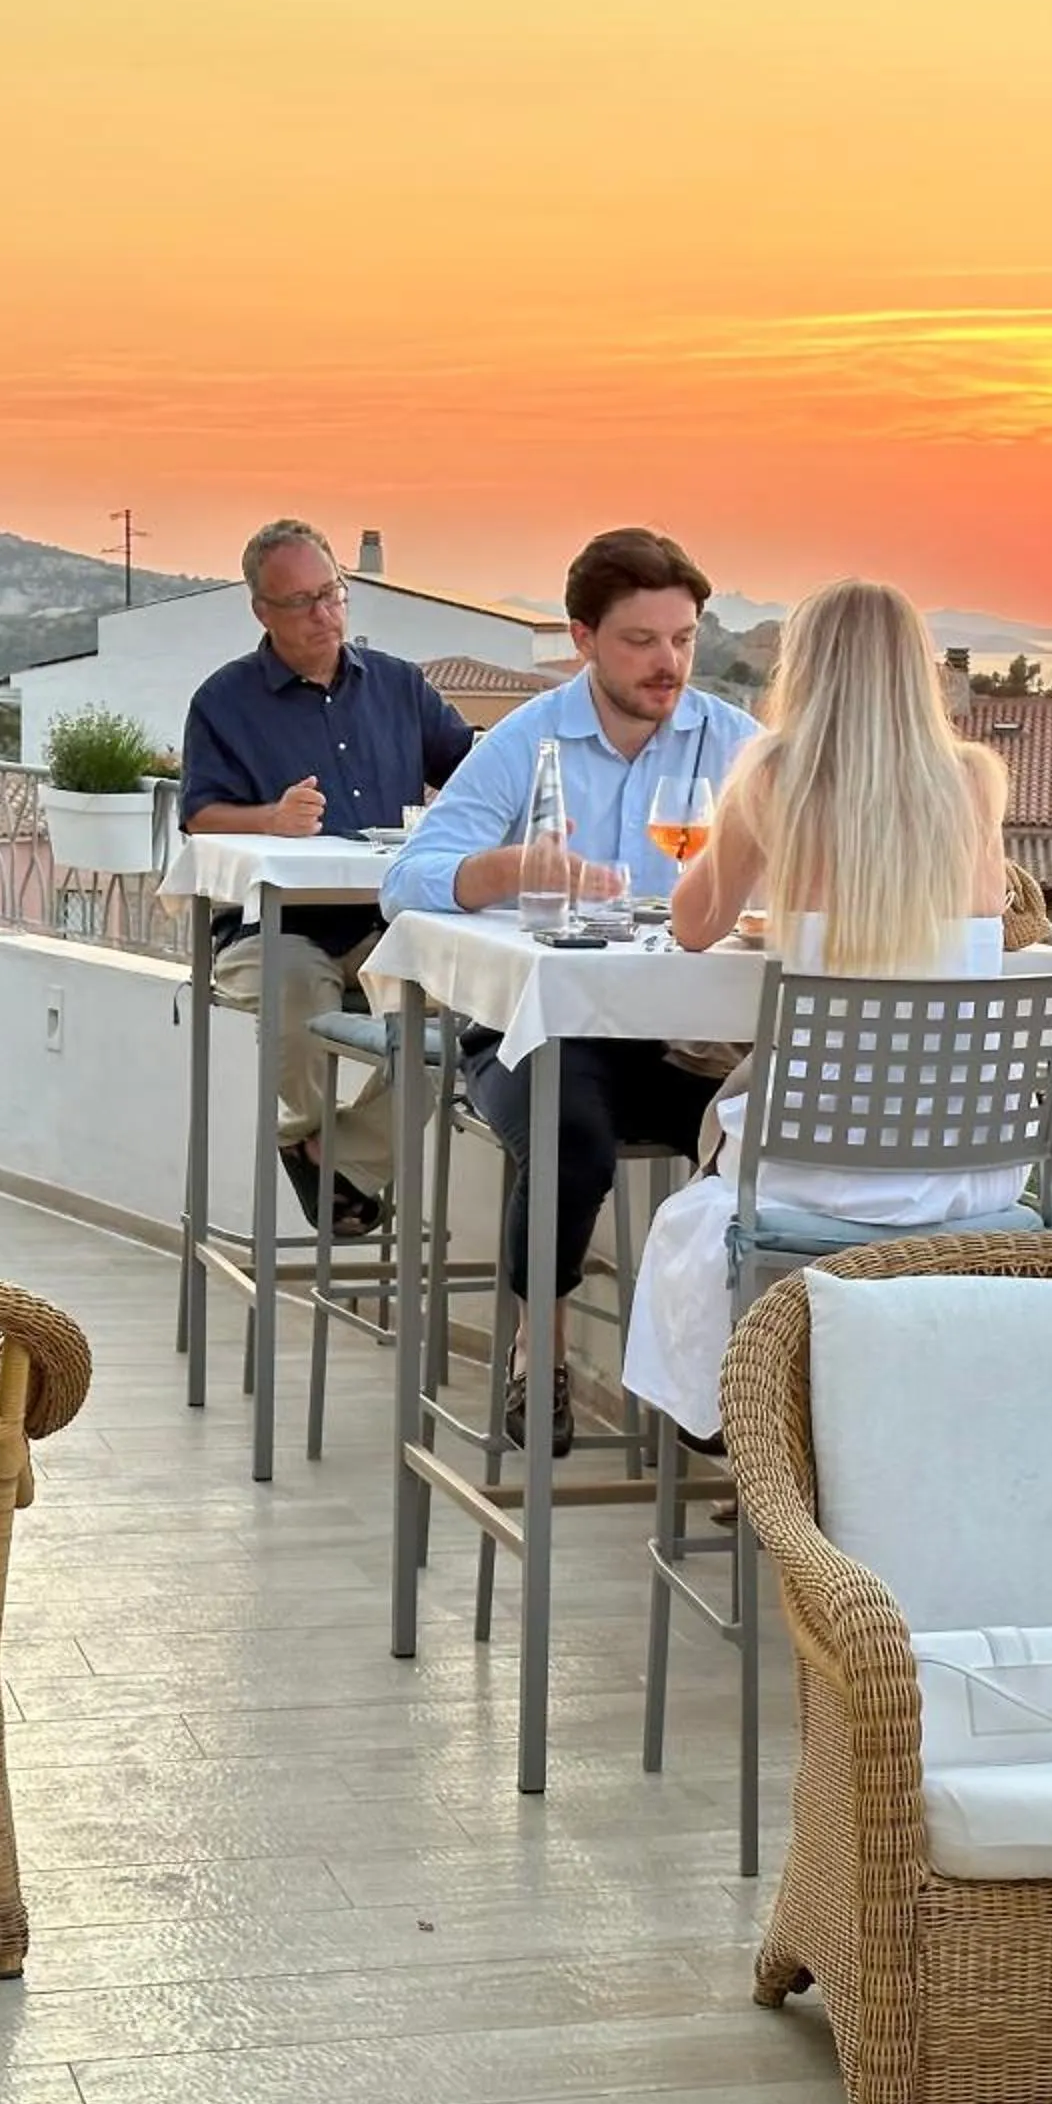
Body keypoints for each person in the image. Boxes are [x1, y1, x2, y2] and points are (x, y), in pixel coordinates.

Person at [383, 528, 760, 1452]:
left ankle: (728, 1381)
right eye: (641, 641)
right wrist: (507, 868)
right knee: (569, 1134)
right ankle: (537, 1351)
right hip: (540, 1030)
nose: (668, 663)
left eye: (683, 639)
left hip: (689, 1041)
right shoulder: (529, 738)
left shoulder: (736, 744)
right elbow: (407, 878)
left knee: (772, 1134)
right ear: (584, 639)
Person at [619, 579, 1016, 1445]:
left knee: (713, 1163)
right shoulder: (972, 781)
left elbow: (694, 925)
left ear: (806, 668)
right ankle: (833, 1419)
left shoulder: (774, 774)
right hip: (961, 1164)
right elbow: (985, 917)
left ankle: (751, 1412)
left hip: (821, 1167)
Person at [179, 518, 477, 1237]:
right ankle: (315, 1138)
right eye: (301, 602)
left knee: (464, 1015)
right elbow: (199, 816)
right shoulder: (223, 701)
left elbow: (474, 778)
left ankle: (335, 1159)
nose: (323, 614)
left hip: (385, 924)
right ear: (262, 611)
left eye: (332, 594)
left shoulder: (400, 686)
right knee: (293, 991)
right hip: (270, 926)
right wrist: (271, 818)